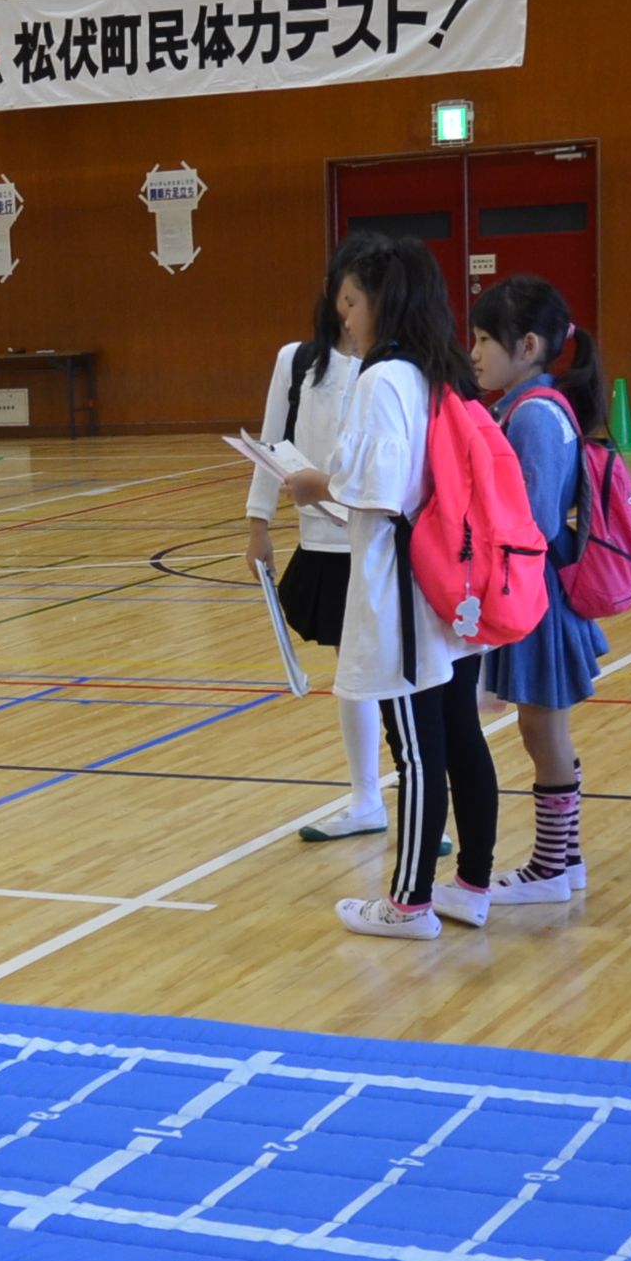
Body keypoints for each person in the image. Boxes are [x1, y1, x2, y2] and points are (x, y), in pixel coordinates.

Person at [281, 238, 491, 937]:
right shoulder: (442, 372)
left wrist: (316, 487)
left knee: (418, 750)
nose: (343, 318)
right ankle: (472, 886)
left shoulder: (383, 380)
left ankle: (409, 904)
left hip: (405, 591)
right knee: (461, 737)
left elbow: (378, 495)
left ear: (382, 300)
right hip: (450, 584)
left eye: (349, 301)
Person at [469, 274, 612, 904]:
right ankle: (565, 860)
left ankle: (551, 869)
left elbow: (535, 519)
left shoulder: (532, 415)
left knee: (543, 732)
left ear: (526, 344)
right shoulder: (527, 405)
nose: (471, 351)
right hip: (535, 591)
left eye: (481, 338)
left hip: (538, 596)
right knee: (539, 729)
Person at [244, 245, 391, 845]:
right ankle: (365, 798)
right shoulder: (297, 361)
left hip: (379, 541)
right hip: (322, 544)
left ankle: (419, 796)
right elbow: (270, 442)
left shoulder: (392, 365)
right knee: (351, 672)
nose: (351, 309)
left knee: (391, 674)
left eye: (363, 298)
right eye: (347, 295)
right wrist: (258, 524)